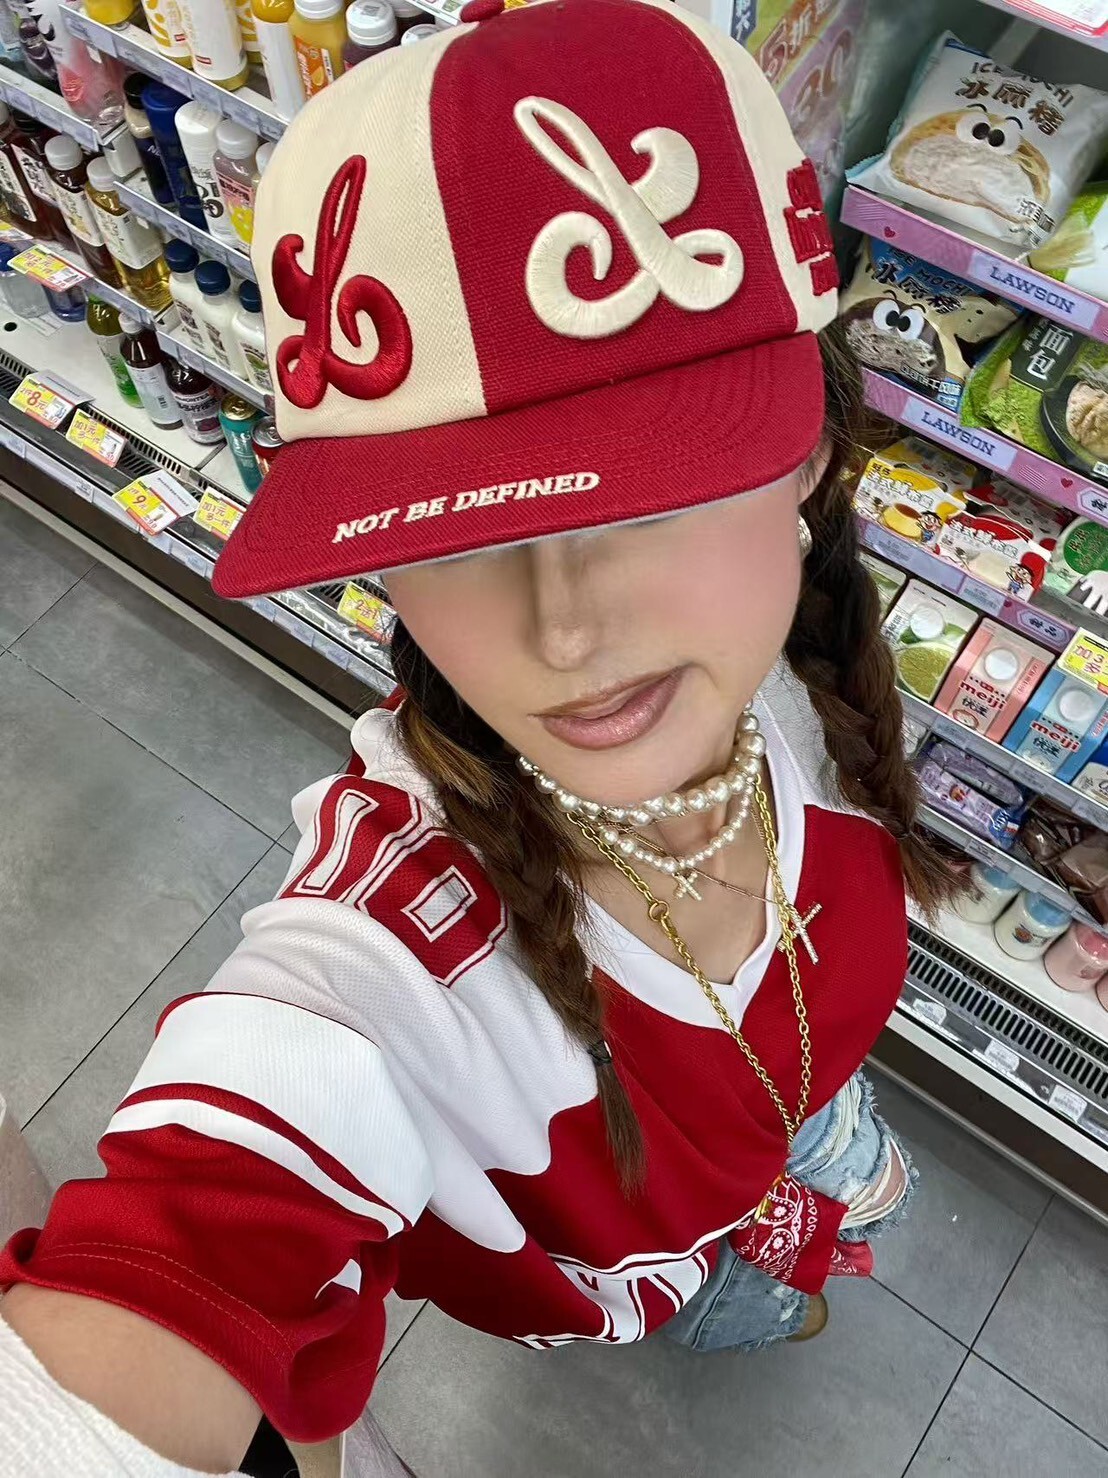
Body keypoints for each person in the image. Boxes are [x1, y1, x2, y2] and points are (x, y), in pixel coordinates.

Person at [0, 0, 957, 1471]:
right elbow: (209, 1216)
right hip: (645, 1268)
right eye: (447, 532)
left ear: (806, 455)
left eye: (652, 490)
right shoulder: (395, 956)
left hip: (794, 1111)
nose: (565, 630)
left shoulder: (807, 673)